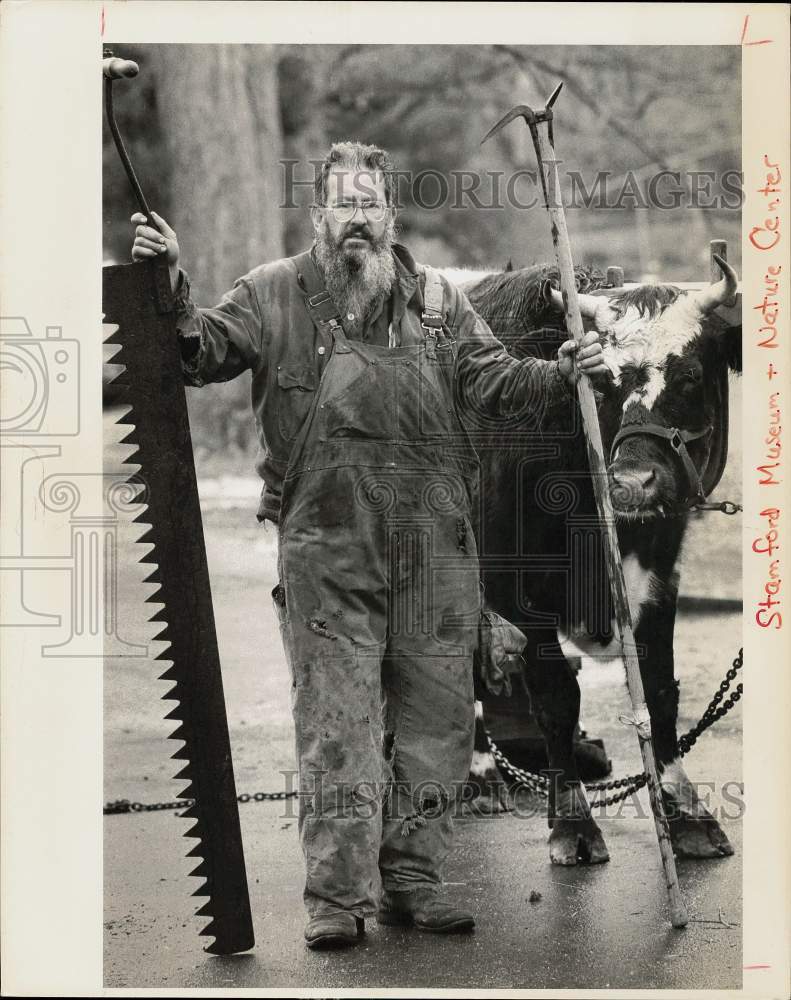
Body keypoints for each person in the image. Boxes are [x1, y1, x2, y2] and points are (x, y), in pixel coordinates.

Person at [131, 141, 607, 950]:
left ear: (390, 215)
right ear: (319, 213)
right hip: (328, 554)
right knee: (339, 728)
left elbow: (493, 381)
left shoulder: (435, 305)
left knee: (440, 725)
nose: (357, 215)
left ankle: (413, 883)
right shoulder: (275, 293)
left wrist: (563, 369)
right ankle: (337, 899)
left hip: (436, 558)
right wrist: (166, 278)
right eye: (342, 202)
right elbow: (197, 350)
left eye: (371, 202)